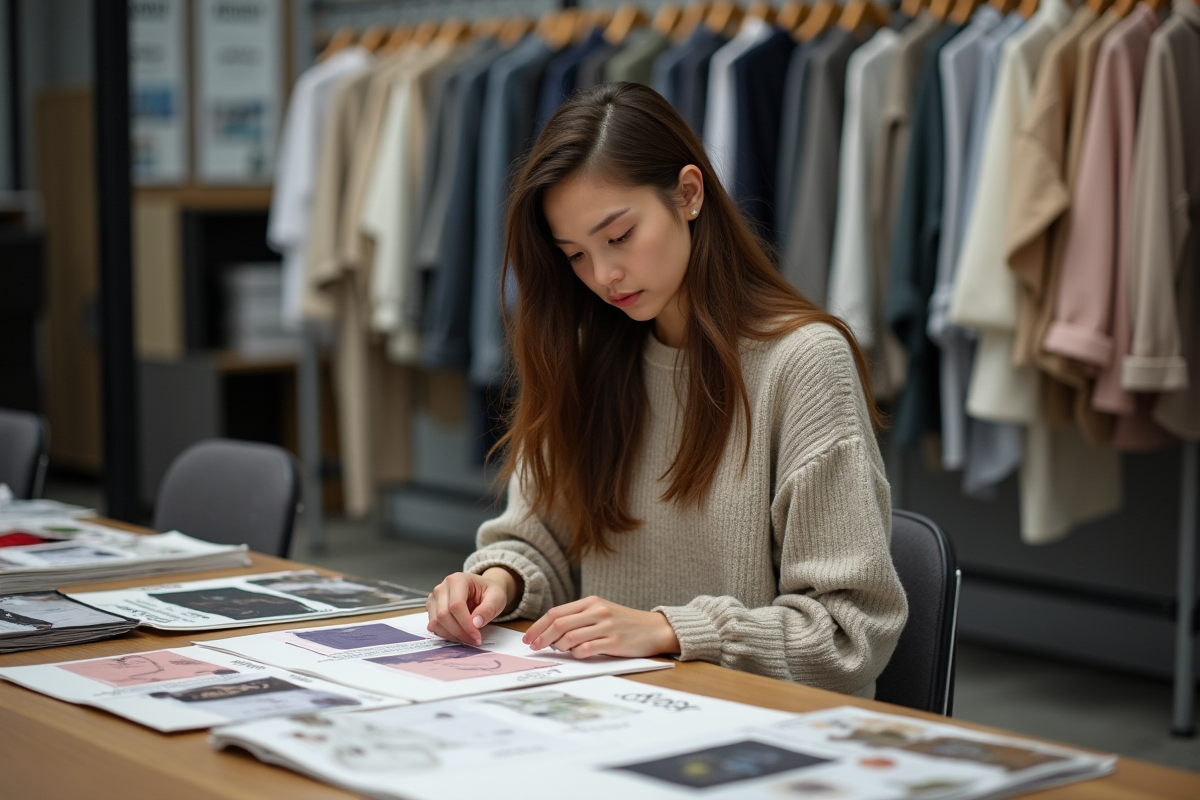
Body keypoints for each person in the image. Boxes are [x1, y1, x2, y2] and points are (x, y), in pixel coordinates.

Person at [426, 82, 907, 698]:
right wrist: (499, 581)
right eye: (575, 255)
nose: (604, 276)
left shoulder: (803, 362)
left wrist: (670, 630)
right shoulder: (585, 352)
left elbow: (851, 632)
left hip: (760, 734)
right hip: (613, 712)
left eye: (620, 237)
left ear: (688, 193)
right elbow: (537, 538)